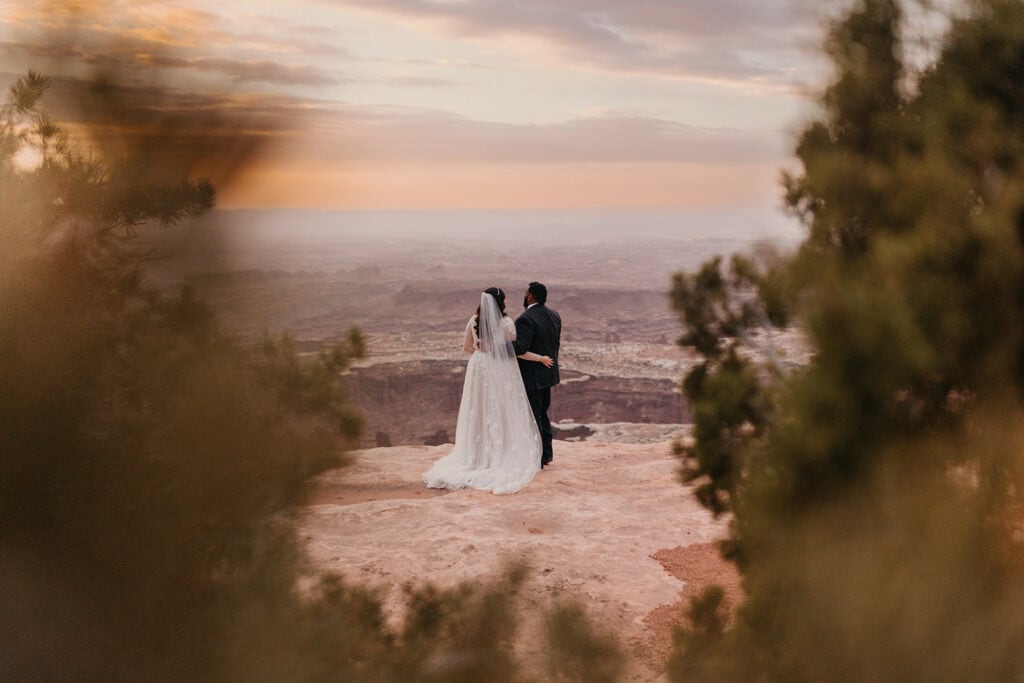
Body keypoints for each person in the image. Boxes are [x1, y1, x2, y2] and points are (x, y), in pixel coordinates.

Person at [423, 287, 553, 494]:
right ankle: (498, 452)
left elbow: (467, 347)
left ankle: (475, 454)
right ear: (500, 302)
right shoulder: (506, 323)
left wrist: (480, 352)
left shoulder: (473, 321)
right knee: (500, 408)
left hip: (479, 368)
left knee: (478, 408)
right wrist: (540, 358)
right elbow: (515, 351)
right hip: (499, 368)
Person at [512, 281, 561, 468]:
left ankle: (538, 458)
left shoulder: (526, 319)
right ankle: (547, 454)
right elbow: (554, 344)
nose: (524, 296)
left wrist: (497, 346)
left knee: (534, 417)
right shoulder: (554, 315)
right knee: (542, 414)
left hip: (531, 377)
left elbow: (520, 347)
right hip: (548, 374)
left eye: (526, 293)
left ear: (530, 296)